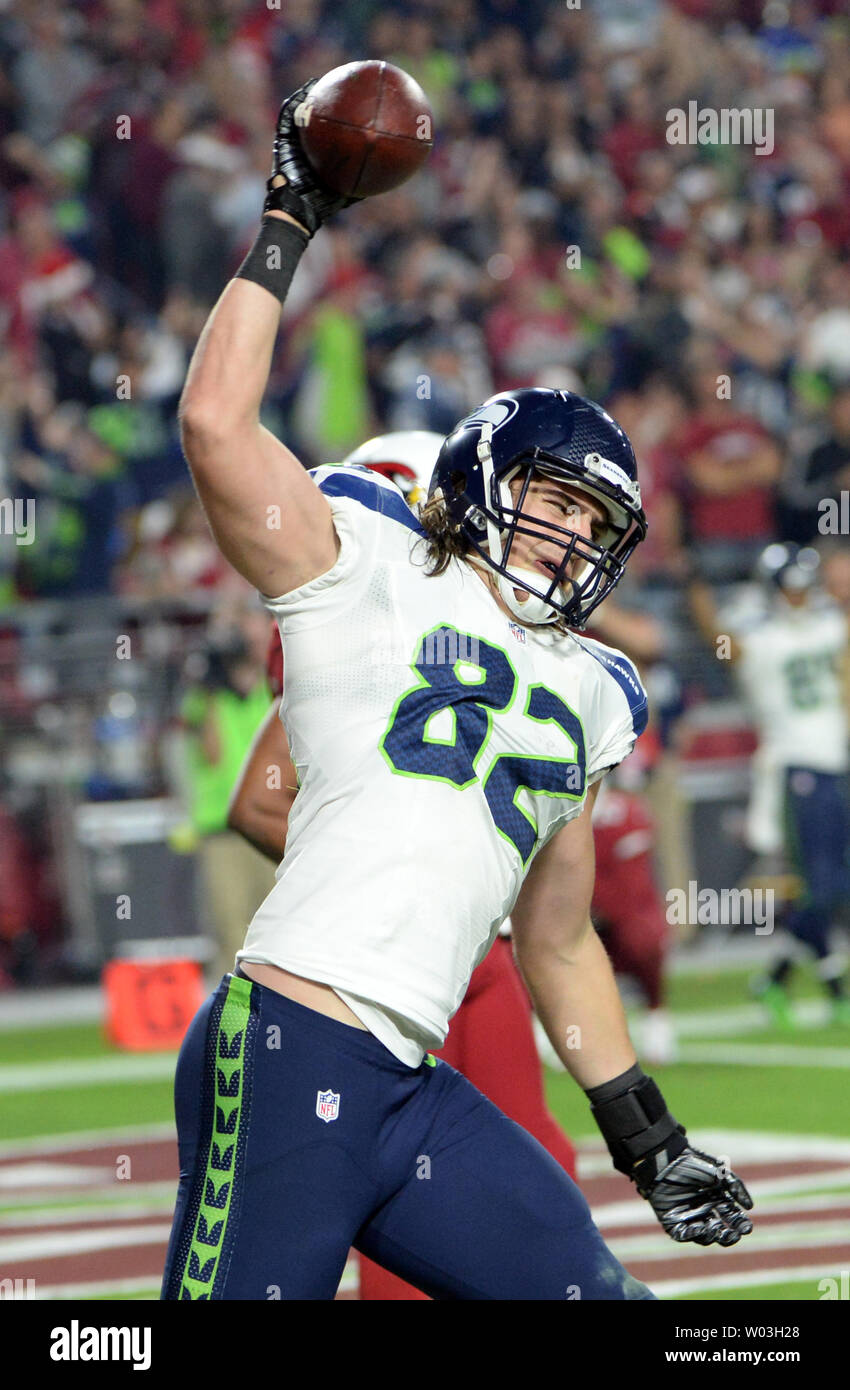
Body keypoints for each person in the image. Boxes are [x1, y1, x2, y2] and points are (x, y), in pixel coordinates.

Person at [160, 81, 752, 1301]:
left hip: (413, 1088)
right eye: (556, 499)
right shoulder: (367, 561)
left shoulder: (591, 689)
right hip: (290, 1039)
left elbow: (557, 935)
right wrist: (289, 217)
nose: (572, 535)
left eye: (599, 522)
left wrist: (647, 1133)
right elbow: (217, 426)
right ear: (485, 476)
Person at [227, 432, 579, 1301]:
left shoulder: (527, 646)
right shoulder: (362, 611)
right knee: (394, 1222)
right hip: (370, 968)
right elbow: (257, 801)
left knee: (537, 1176)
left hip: (480, 960)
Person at [690, 543, 850, 1027]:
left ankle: (783, 980)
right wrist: (693, 590)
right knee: (823, 885)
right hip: (795, 767)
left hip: (836, 763)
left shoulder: (831, 622)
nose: (801, 596)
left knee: (827, 885)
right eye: (791, 587)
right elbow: (723, 644)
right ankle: (828, 988)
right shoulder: (756, 633)